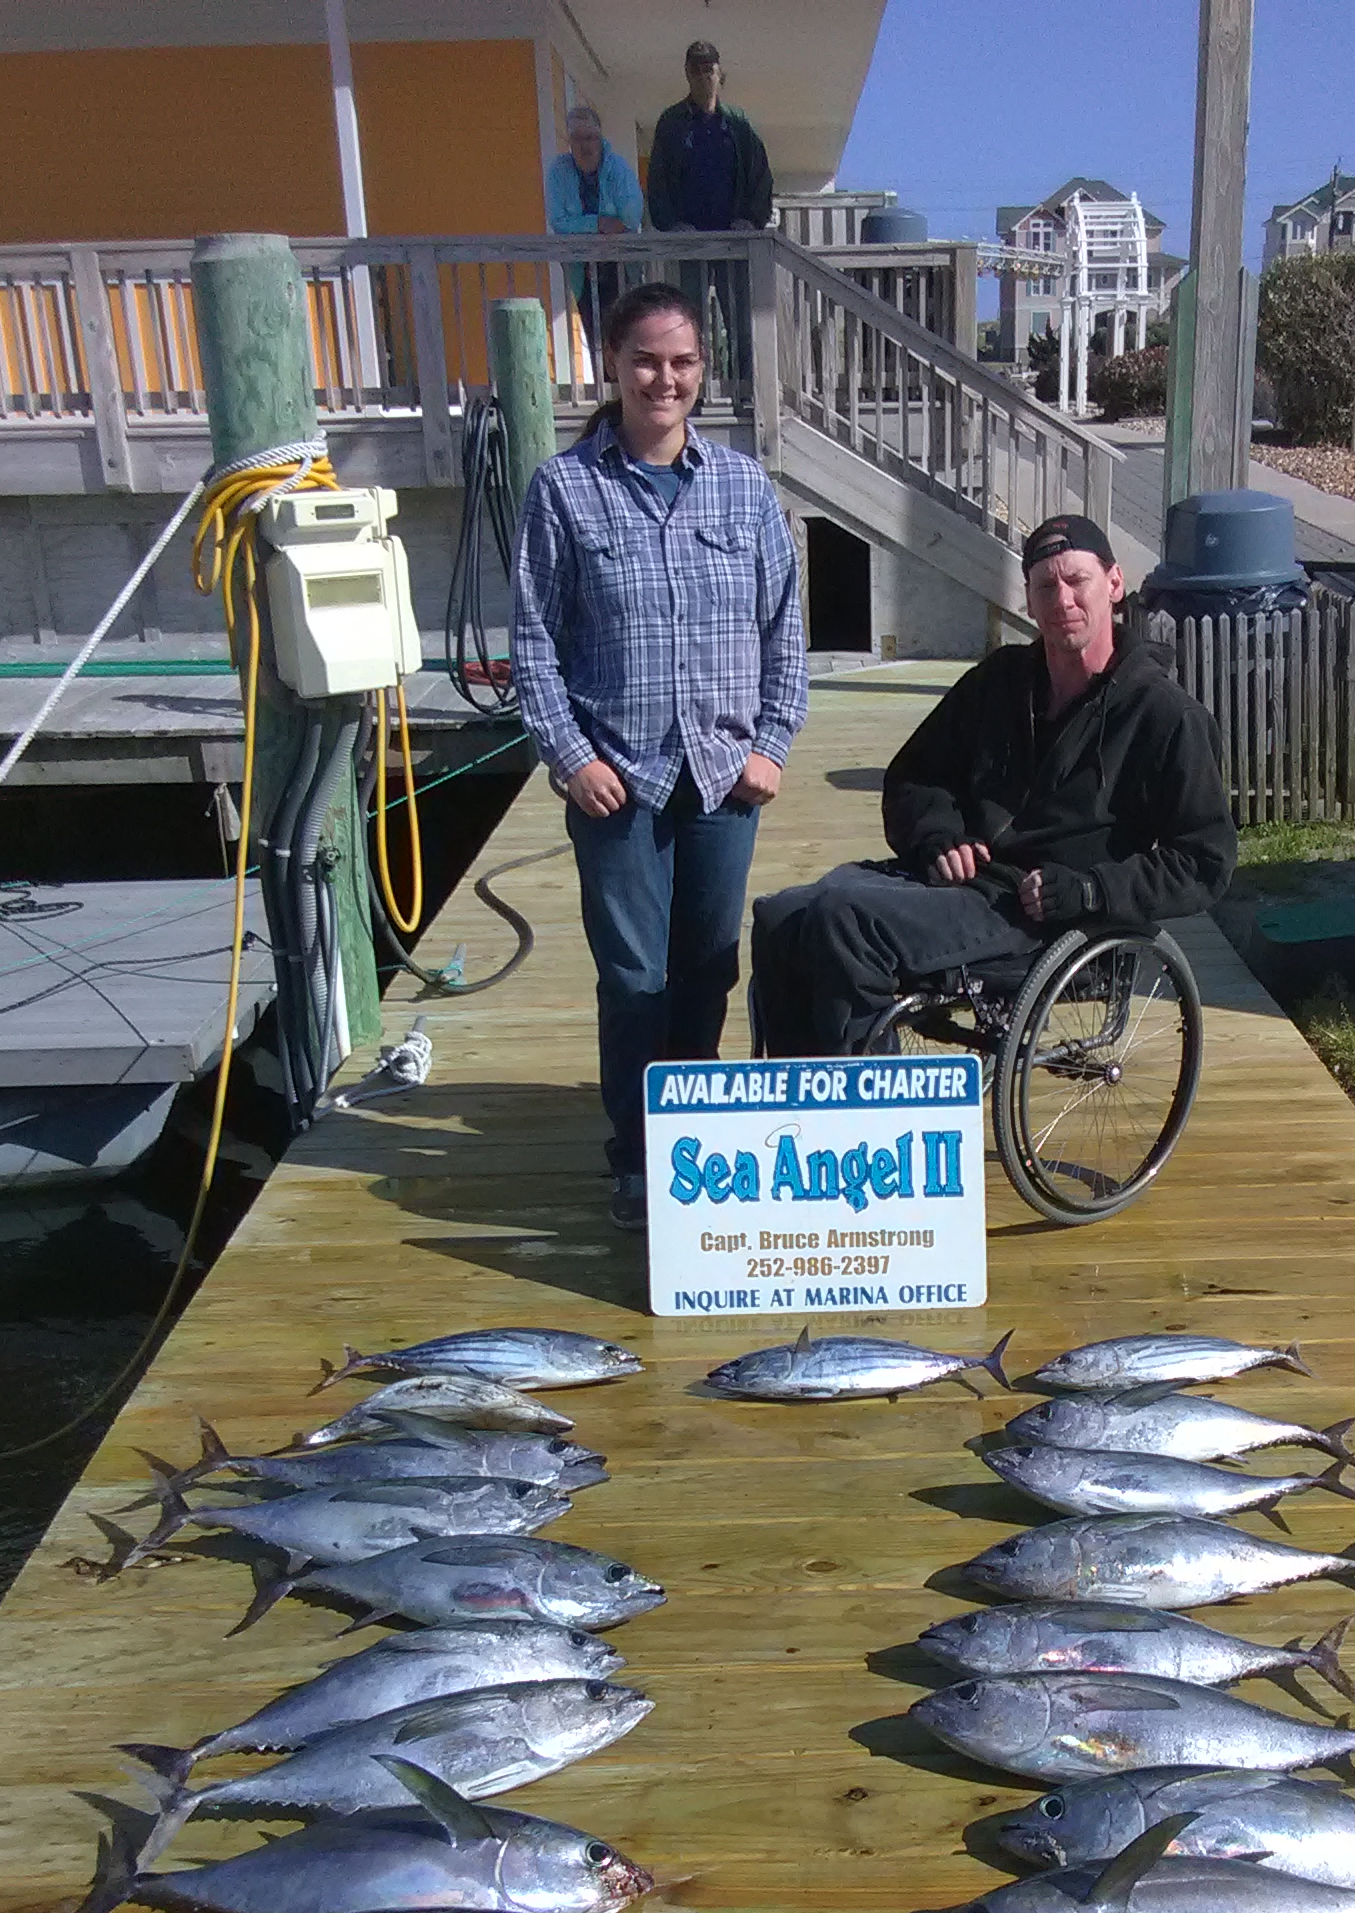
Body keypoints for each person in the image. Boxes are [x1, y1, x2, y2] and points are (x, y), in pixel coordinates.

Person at [510, 282, 807, 1233]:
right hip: (617, 780)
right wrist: (567, 756)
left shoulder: (744, 485)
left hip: (724, 774)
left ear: (702, 372)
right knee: (633, 976)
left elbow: (784, 628)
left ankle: (695, 1138)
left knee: (708, 967)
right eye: (645, 361)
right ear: (612, 365)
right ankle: (637, 1152)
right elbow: (531, 644)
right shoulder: (563, 489)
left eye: (681, 363)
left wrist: (772, 742)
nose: (663, 379)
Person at [751, 515, 1237, 1056]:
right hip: (958, 887)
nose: (1062, 600)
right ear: (1029, 601)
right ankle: (795, 1111)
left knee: (843, 923)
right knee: (781, 916)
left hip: (1039, 914)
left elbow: (1203, 861)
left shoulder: (1166, 717)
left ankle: (871, 1118)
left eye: (1077, 581)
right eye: (1045, 587)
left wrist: (1093, 890)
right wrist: (938, 836)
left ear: (1114, 584)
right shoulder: (1000, 681)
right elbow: (915, 775)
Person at [644, 40, 773, 378]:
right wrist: (671, 225)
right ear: (687, 74)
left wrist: (751, 219)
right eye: (697, 69)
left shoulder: (738, 124)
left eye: (709, 69)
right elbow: (656, 179)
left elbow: (761, 176)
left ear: (720, 74)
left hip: (734, 242)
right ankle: (693, 395)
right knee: (687, 324)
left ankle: (745, 391)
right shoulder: (672, 122)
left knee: (741, 322)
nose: (704, 76)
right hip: (690, 244)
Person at [545, 102, 643, 355]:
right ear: (569, 141)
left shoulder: (618, 169)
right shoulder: (559, 172)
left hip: (620, 267)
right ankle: (607, 393)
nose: (584, 145)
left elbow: (630, 217)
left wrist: (584, 226)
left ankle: (625, 392)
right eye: (577, 138)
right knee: (596, 342)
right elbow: (558, 221)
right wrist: (599, 223)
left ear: (600, 138)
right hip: (582, 270)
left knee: (625, 338)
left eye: (590, 138)